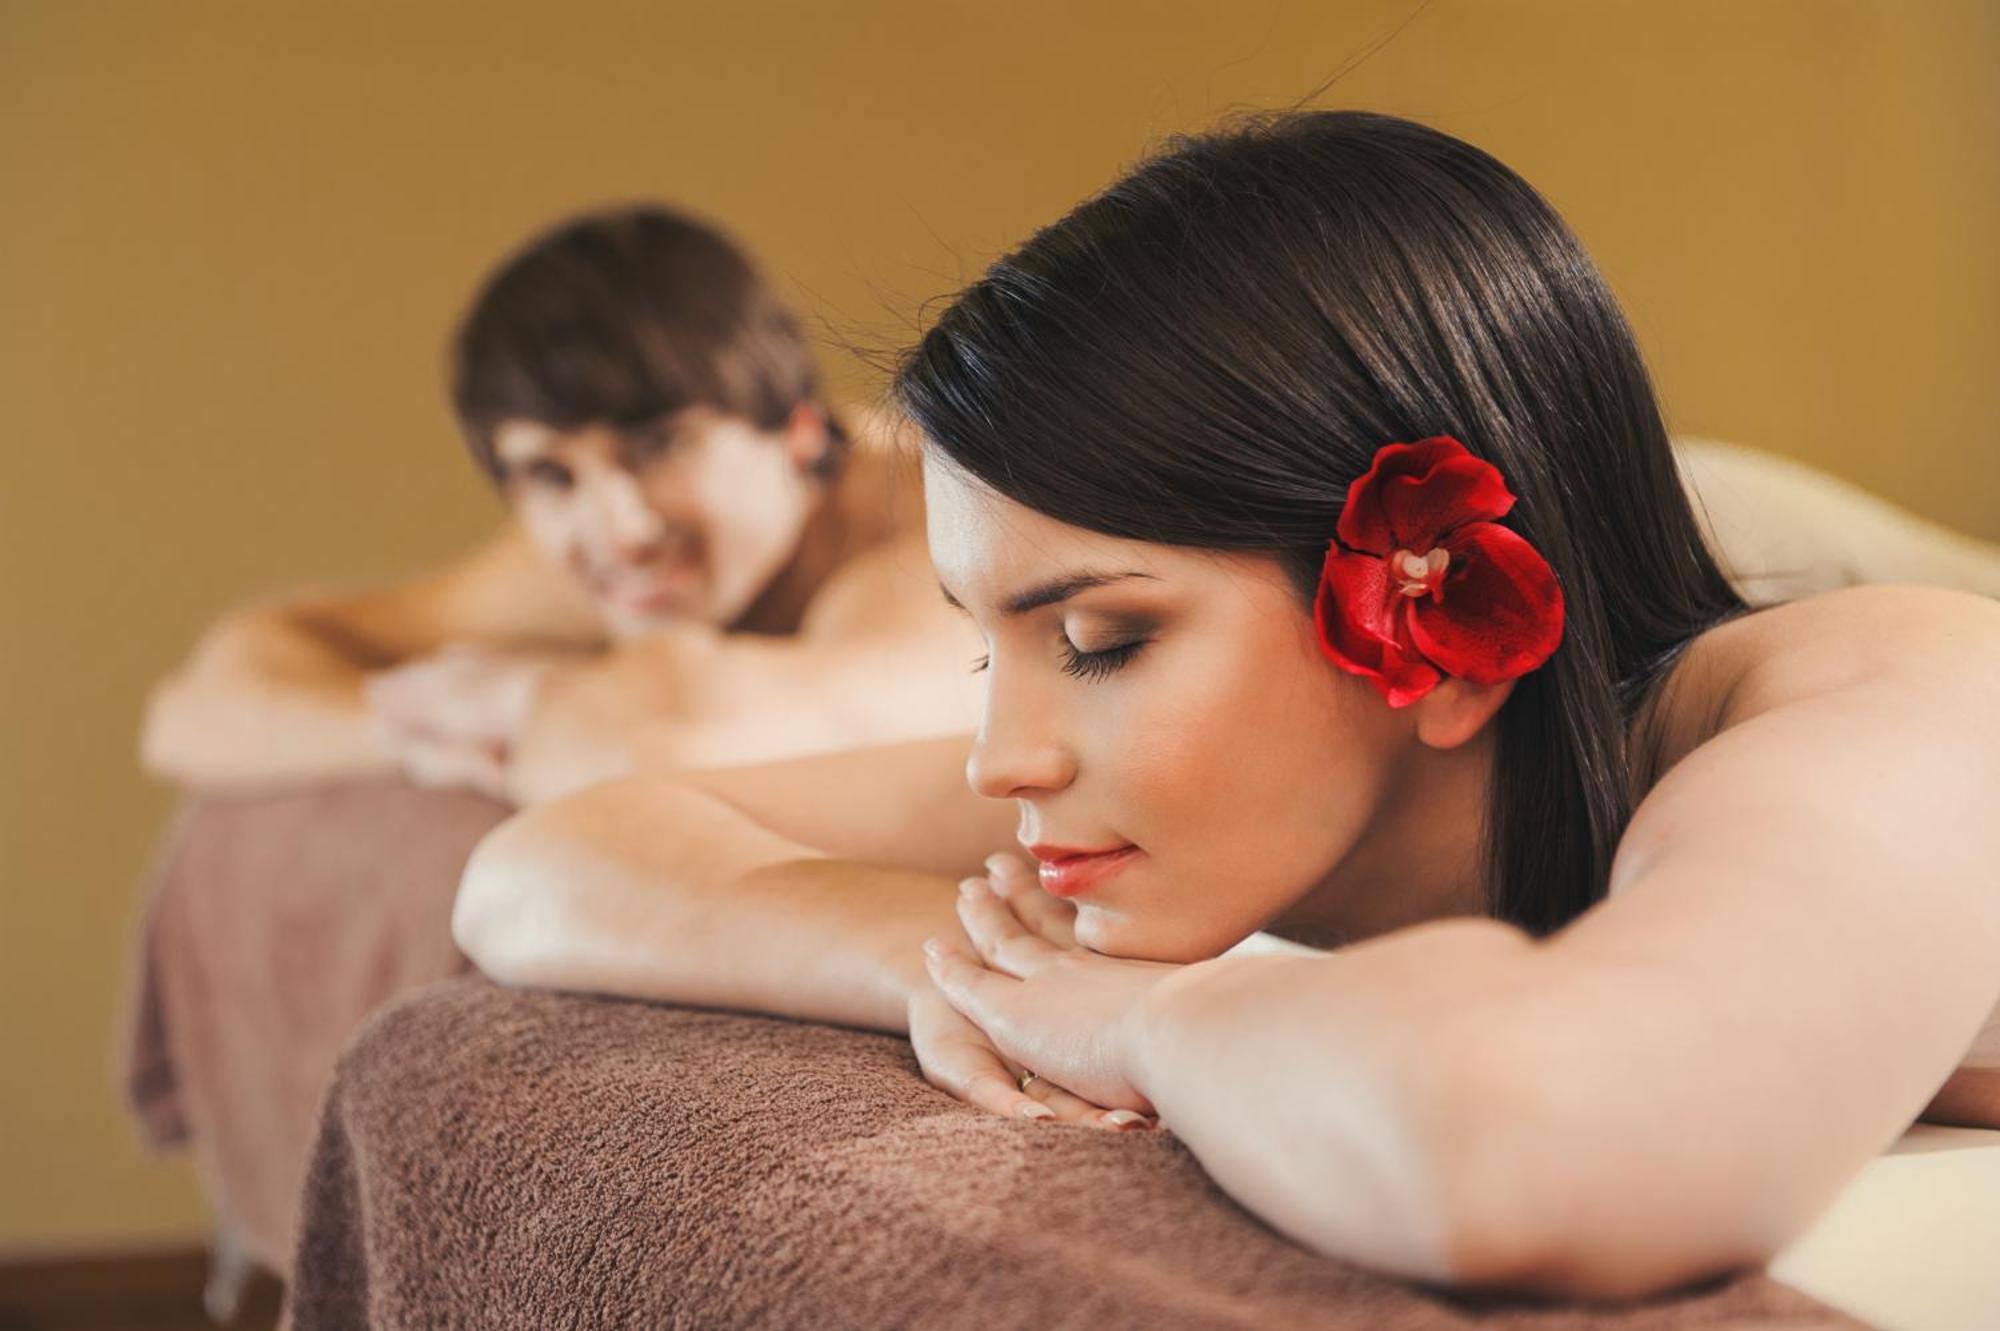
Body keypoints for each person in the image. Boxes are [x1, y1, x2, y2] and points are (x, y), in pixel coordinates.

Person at [449, 112, 2000, 1299]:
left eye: (1102, 639)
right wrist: (966, 967)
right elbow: (547, 863)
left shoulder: (1898, 700)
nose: (1000, 759)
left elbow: (1531, 1136)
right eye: (989, 647)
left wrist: (1140, 1019)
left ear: (1445, 618)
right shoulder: (1260, 788)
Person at [141, 204, 982, 805]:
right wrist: (412, 734)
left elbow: (671, 733)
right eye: (551, 476)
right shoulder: (617, 554)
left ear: (797, 431)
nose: (623, 531)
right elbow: (193, 713)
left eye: (661, 446)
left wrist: (517, 698)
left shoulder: (940, 537)